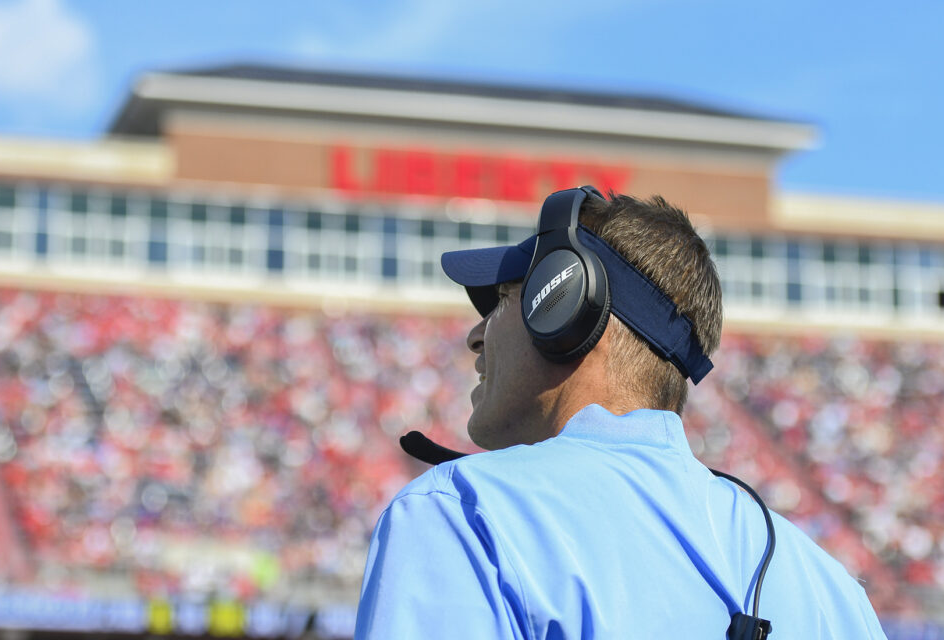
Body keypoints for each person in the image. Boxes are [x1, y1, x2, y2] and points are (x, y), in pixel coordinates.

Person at [354, 187, 887, 639]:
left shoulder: (462, 512)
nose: (476, 335)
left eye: (503, 300)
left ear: (565, 306)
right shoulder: (835, 592)